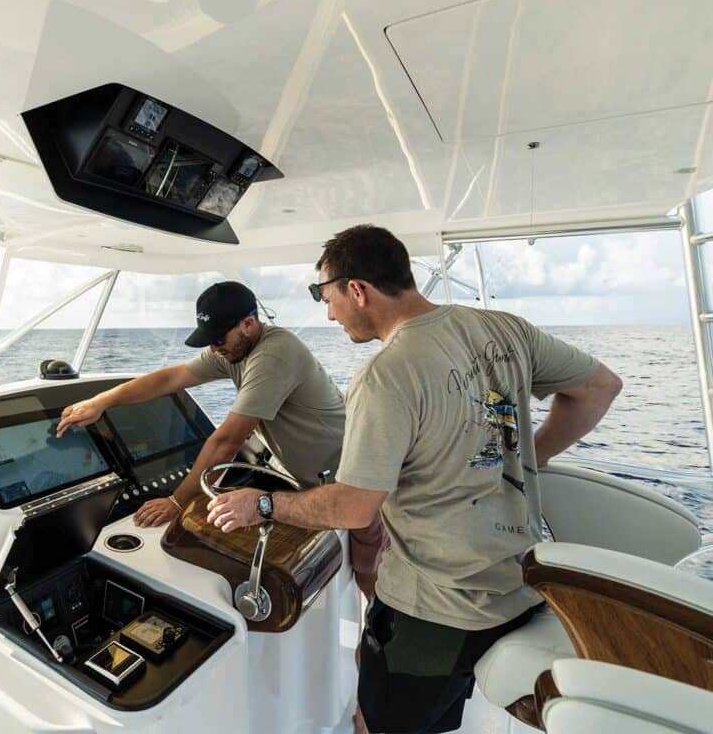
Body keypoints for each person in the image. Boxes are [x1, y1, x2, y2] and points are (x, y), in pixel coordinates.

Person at [205, 225, 622, 734]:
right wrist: (531, 456)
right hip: (518, 584)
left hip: (434, 610)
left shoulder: (386, 375)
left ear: (357, 290)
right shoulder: (507, 329)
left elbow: (354, 507)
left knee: (380, 719)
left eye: (326, 296)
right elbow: (600, 388)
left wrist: (263, 505)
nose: (329, 313)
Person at [56, 280, 347, 527]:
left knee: (363, 554)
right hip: (312, 478)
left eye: (218, 339)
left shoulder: (273, 355)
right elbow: (171, 378)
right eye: (209, 340)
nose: (214, 348)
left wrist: (176, 502)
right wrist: (102, 400)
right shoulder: (233, 349)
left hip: (345, 477)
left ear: (248, 324)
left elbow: (227, 442)